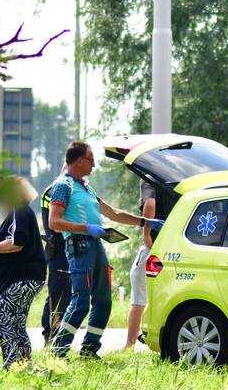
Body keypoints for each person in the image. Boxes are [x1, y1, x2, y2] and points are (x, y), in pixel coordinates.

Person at [48, 141, 164, 358]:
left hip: (96, 245)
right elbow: (54, 221)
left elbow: (114, 214)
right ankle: (58, 352)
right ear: (80, 161)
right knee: (81, 300)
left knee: (103, 301)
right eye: (91, 160)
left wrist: (145, 222)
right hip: (80, 247)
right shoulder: (63, 185)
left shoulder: (86, 187)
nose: (94, 165)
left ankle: (89, 350)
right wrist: (86, 228)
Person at [0, 177, 46, 369]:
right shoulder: (22, 212)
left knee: (4, 318)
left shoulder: (19, 212)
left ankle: (11, 365)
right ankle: (24, 365)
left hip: (21, 278)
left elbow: (17, 243)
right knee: (16, 323)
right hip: (28, 278)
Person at [126, 180, 171, 348]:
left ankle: (129, 345)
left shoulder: (149, 178)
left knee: (139, 296)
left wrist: (147, 235)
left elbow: (150, 203)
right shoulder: (176, 177)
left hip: (154, 247)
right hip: (174, 246)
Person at [40, 178, 71, 344]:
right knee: (57, 294)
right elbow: (55, 225)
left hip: (66, 251)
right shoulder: (56, 189)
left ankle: (59, 335)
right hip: (58, 250)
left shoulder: (68, 188)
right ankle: (50, 335)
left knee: (67, 294)